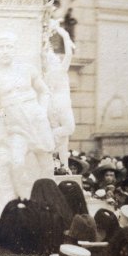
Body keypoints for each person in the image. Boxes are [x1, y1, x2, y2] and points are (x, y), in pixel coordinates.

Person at [0, 32, 54, 197]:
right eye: (1, 48)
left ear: (15, 49)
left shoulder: (28, 69)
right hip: (15, 126)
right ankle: (24, 200)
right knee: (16, 163)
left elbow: (44, 92)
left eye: (9, 47)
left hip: (36, 119)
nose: (5, 51)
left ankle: (49, 200)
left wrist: (42, 113)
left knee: (45, 161)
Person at [45, 19, 76, 171]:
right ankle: (50, 136)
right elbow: (69, 54)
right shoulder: (59, 70)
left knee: (64, 139)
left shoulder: (47, 73)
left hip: (52, 104)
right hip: (61, 103)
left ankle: (64, 166)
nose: (58, 58)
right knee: (68, 129)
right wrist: (65, 36)